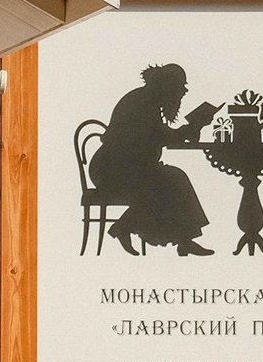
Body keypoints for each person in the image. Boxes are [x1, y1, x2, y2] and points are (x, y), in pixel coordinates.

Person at [88, 63, 215, 255]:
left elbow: (161, 136)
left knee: (173, 178)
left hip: (130, 169)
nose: (183, 92)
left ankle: (182, 240)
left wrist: (193, 128)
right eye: (180, 86)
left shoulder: (147, 100)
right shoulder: (143, 102)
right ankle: (126, 227)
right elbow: (162, 137)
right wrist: (192, 127)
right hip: (113, 171)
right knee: (168, 182)